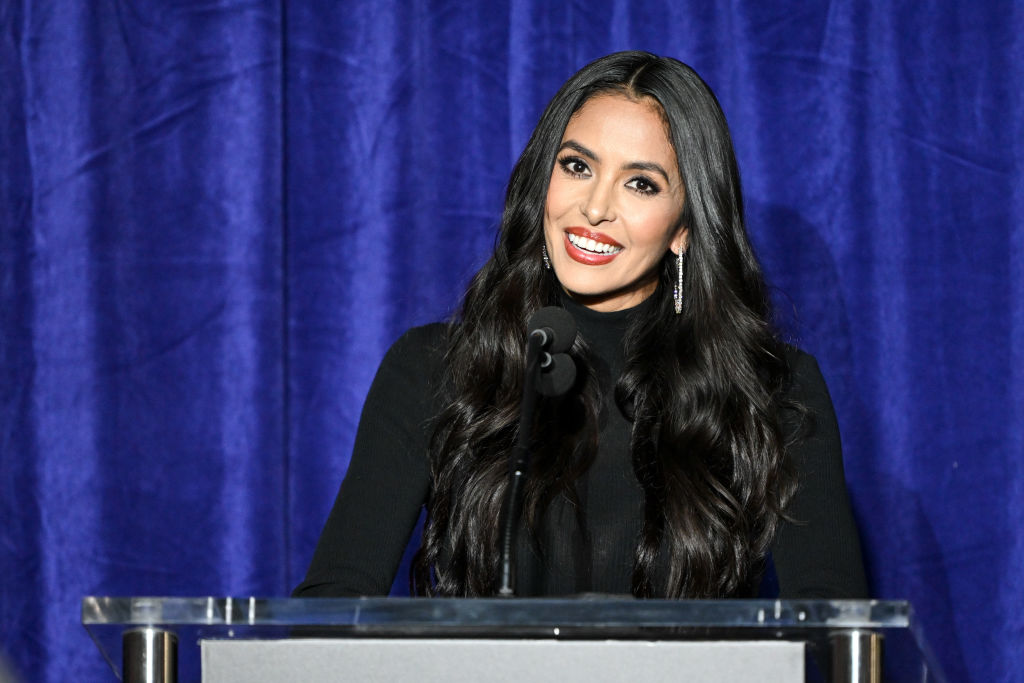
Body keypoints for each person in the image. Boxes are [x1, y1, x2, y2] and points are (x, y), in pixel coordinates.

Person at [294, 51, 868, 599]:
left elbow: (837, 631)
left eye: (640, 183)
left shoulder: (772, 388)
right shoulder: (433, 368)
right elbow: (333, 603)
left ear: (684, 227)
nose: (594, 207)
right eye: (577, 166)